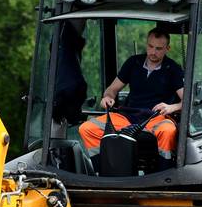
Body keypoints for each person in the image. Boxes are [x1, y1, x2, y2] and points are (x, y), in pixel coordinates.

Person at [78, 28, 184, 170]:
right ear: (146, 45)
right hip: (127, 116)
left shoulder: (173, 69)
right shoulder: (133, 63)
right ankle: (103, 171)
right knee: (87, 128)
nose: (153, 52)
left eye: (158, 48)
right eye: (150, 46)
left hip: (156, 118)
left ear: (167, 49)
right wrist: (107, 98)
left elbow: (186, 101)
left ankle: (163, 175)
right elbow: (111, 90)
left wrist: (172, 107)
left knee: (168, 131)